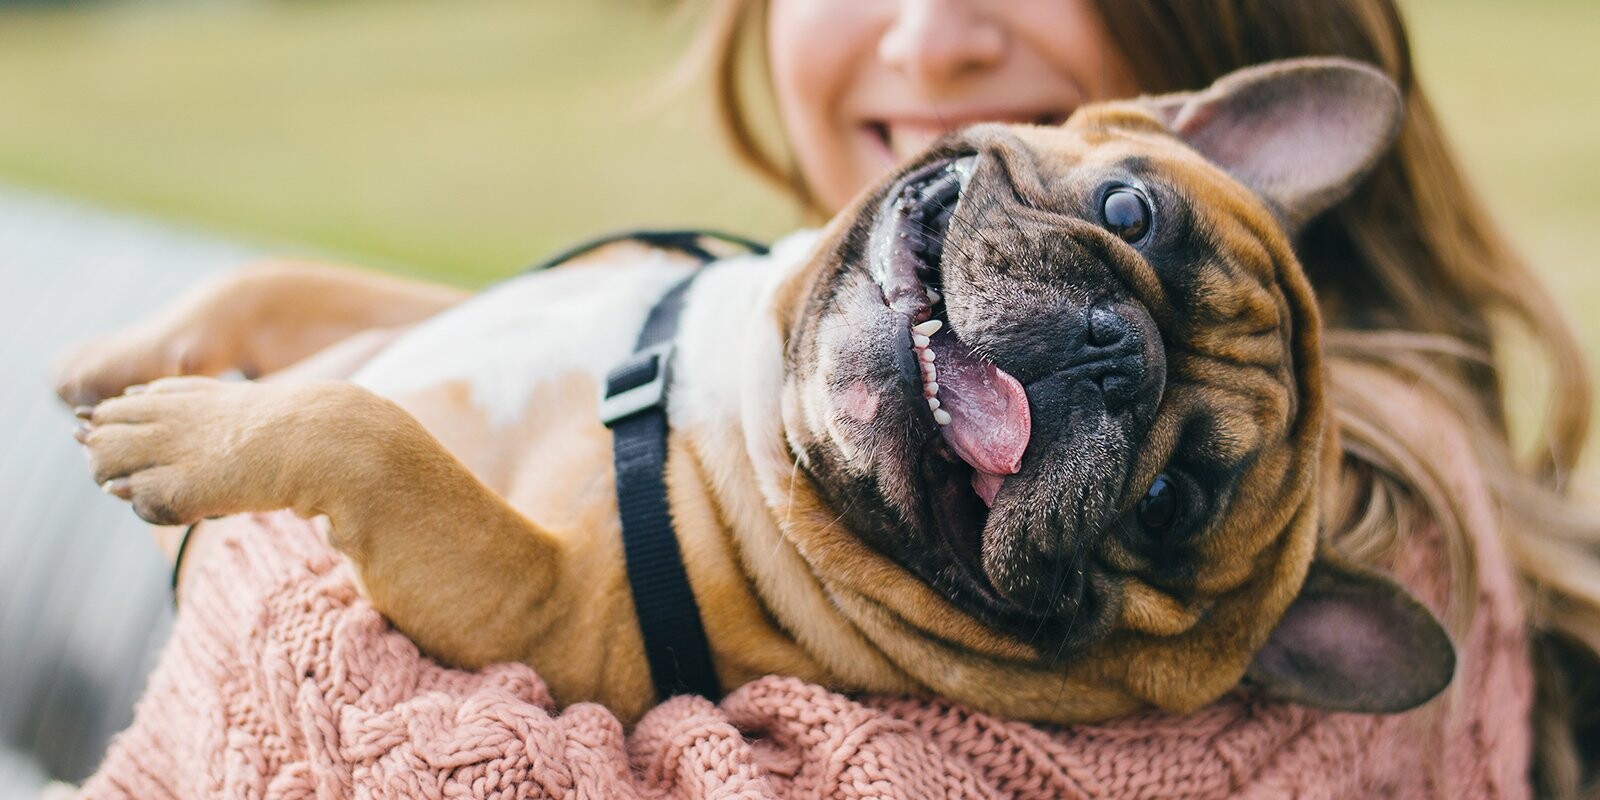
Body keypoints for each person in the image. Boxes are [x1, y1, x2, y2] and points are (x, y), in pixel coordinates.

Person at [67, 1, 1599, 797]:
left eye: (1169, 490)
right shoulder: (779, 320)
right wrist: (284, 318)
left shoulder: (1370, 558)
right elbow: (527, 349)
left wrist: (245, 530)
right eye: (1126, 224)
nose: (932, 38)